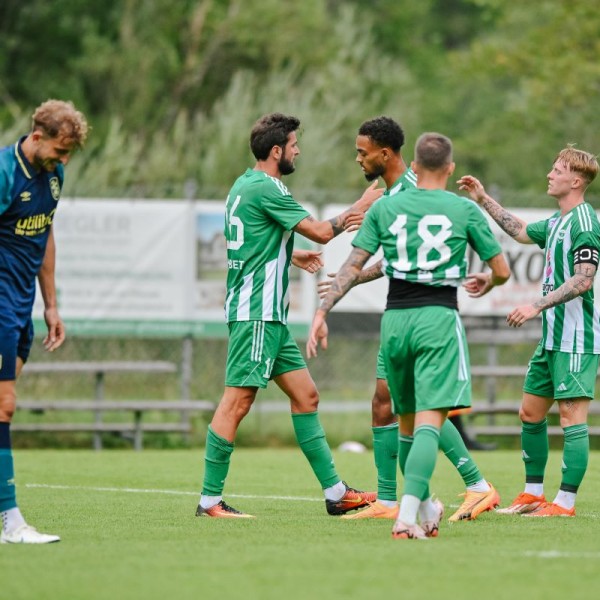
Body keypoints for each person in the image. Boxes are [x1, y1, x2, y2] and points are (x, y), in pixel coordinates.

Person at [308, 132, 510, 539]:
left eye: (361, 153)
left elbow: (351, 264)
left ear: (413, 165)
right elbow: (502, 270)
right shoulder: (462, 209)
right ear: (450, 169)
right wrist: (487, 283)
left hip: (396, 319)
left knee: (405, 418)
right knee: (425, 419)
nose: (358, 159)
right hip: (436, 316)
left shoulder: (389, 205)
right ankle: (407, 511)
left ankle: (434, 498)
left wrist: (323, 310)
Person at [196, 112, 382, 519]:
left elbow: (246, 240)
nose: (298, 151)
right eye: (294, 145)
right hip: (257, 314)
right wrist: (363, 203)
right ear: (276, 150)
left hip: (270, 319)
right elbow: (320, 230)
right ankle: (209, 501)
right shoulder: (268, 187)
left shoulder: (244, 184)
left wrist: (290, 255)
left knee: (306, 396)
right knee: (237, 402)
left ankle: (336, 493)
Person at [458, 146, 600, 517]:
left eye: (557, 170)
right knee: (530, 414)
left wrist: (535, 305)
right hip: (552, 339)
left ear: (576, 180)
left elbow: (584, 281)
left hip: (576, 340)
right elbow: (519, 231)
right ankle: (533, 495)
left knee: (571, 418)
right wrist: (483, 199)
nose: (550, 174)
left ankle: (564, 503)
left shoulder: (585, 223)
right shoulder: (556, 222)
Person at [0, 99, 89, 544]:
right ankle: (8, 519)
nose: (64, 160)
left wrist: (51, 305)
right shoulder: (3, 173)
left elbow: (44, 232)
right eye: (59, 150)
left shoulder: (53, 174)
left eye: (69, 154)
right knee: (4, 405)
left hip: (22, 305)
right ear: (36, 137)